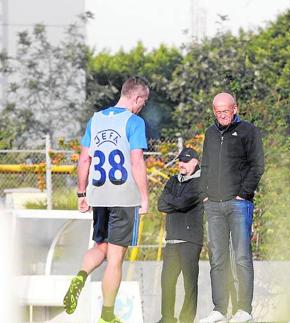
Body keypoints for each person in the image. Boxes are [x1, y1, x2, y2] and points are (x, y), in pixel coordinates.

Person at [63, 76, 150, 323]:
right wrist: (144, 197)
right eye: (143, 102)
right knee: (115, 259)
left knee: (100, 246)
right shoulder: (134, 122)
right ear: (137, 98)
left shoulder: (96, 119)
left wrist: (82, 193)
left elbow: (83, 160)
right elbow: (136, 161)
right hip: (124, 196)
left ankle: (80, 276)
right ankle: (107, 316)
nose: (142, 107)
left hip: (98, 195)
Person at [199, 92, 265, 323]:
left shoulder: (248, 131)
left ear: (235, 108)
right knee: (217, 258)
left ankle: (244, 309)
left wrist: (243, 194)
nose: (221, 115)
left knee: (242, 258)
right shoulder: (210, 132)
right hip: (213, 206)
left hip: (239, 204)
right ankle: (219, 308)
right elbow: (205, 165)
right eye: (217, 111)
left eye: (225, 110)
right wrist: (204, 194)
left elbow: (257, 166)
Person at [156, 148, 204, 323]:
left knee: (189, 283)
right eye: (180, 160)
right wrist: (175, 202)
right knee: (167, 281)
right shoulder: (172, 180)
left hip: (190, 240)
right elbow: (160, 205)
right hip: (172, 240)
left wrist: (172, 201)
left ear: (195, 162)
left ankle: (186, 319)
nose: (181, 164)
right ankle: (167, 318)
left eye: (185, 161)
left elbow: (184, 203)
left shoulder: (201, 182)